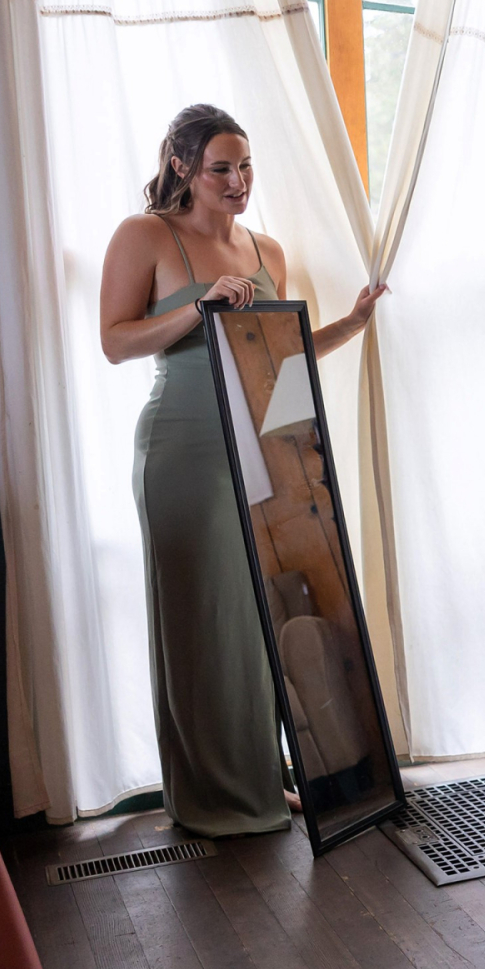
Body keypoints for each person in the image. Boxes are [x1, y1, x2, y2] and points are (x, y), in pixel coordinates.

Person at [99, 104, 386, 836]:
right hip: (182, 450)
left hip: (253, 445)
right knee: (203, 617)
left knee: (257, 614)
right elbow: (115, 342)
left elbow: (277, 353)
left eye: (246, 166)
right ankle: (211, 795)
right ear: (182, 167)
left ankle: (263, 777)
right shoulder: (144, 236)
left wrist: (350, 325)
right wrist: (198, 308)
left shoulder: (268, 250)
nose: (238, 181)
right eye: (222, 167)